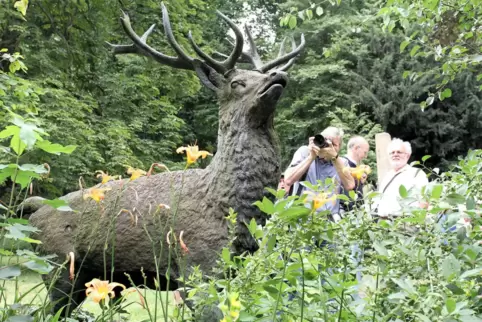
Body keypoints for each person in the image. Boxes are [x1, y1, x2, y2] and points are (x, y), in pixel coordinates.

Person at [284, 126, 355, 222]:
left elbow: (350, 185)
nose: (328, 147)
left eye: (333, 144)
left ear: (339, 147)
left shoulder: (342, 162)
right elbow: (288, 180)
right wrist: (311, 157)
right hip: (303, 218)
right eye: (325, 142)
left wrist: (334, 158)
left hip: (330, 221)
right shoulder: (305, 152)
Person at [375, 138, 428, 220]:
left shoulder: (416, 173)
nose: (395, 154)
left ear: (407, 155)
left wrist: (418, 222)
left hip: (405, 223)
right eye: (392, 152)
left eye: (399, 152)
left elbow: (424, 201)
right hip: (383, 223)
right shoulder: (387, 176)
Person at [340, 136, 370, 212]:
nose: (365, 156)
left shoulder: (357, 166)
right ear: (356, 148)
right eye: (365, 152)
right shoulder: (342, 163)